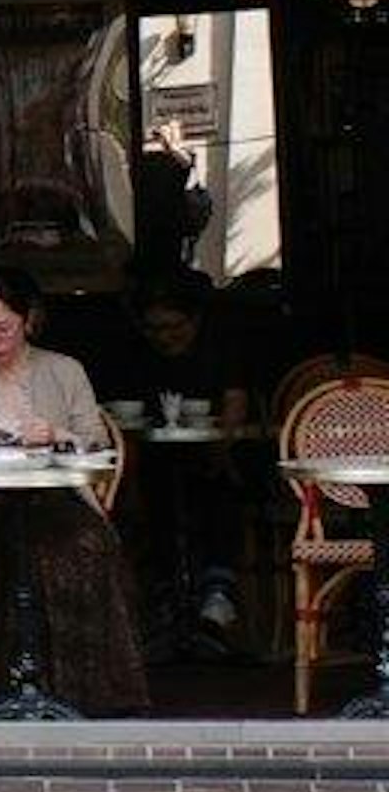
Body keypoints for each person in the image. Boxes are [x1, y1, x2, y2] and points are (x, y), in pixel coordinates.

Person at [0, 266, 146, 714]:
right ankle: (11, 692)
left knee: (84, 548)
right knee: (9, 554)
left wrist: (56, 434)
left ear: (29, 320)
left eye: (3, 328)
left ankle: (80, 693)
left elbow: (98, 442)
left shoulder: (64, 371)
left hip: (59, 497)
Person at [114, 276, 252, 644]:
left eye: (174, 326)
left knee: (220, 489)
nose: (164, 336)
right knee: (152, 495)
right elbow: (122, 421)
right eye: (154, 328)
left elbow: (235, 400)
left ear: (195, 321)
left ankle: (216, 593)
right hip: (153, 456)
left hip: (211, 452)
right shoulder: (137, 355)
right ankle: (166, 595)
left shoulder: (218, 349)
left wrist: (222, 448)